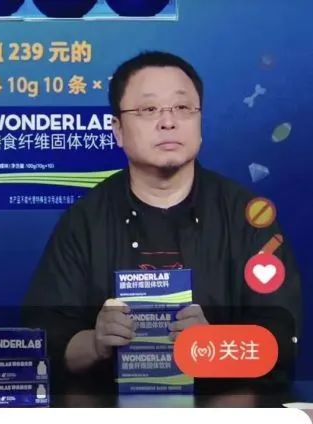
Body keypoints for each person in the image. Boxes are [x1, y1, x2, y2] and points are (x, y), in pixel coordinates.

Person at [23, 51, 302, 401]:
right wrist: (95, 343)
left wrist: (214, 346)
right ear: (118, 130)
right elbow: (42, 338)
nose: (168, 122)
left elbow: (282, 335)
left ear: (200, 120)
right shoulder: (84, 220)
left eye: (183, 108)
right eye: (149, 109)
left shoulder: (249, 216)